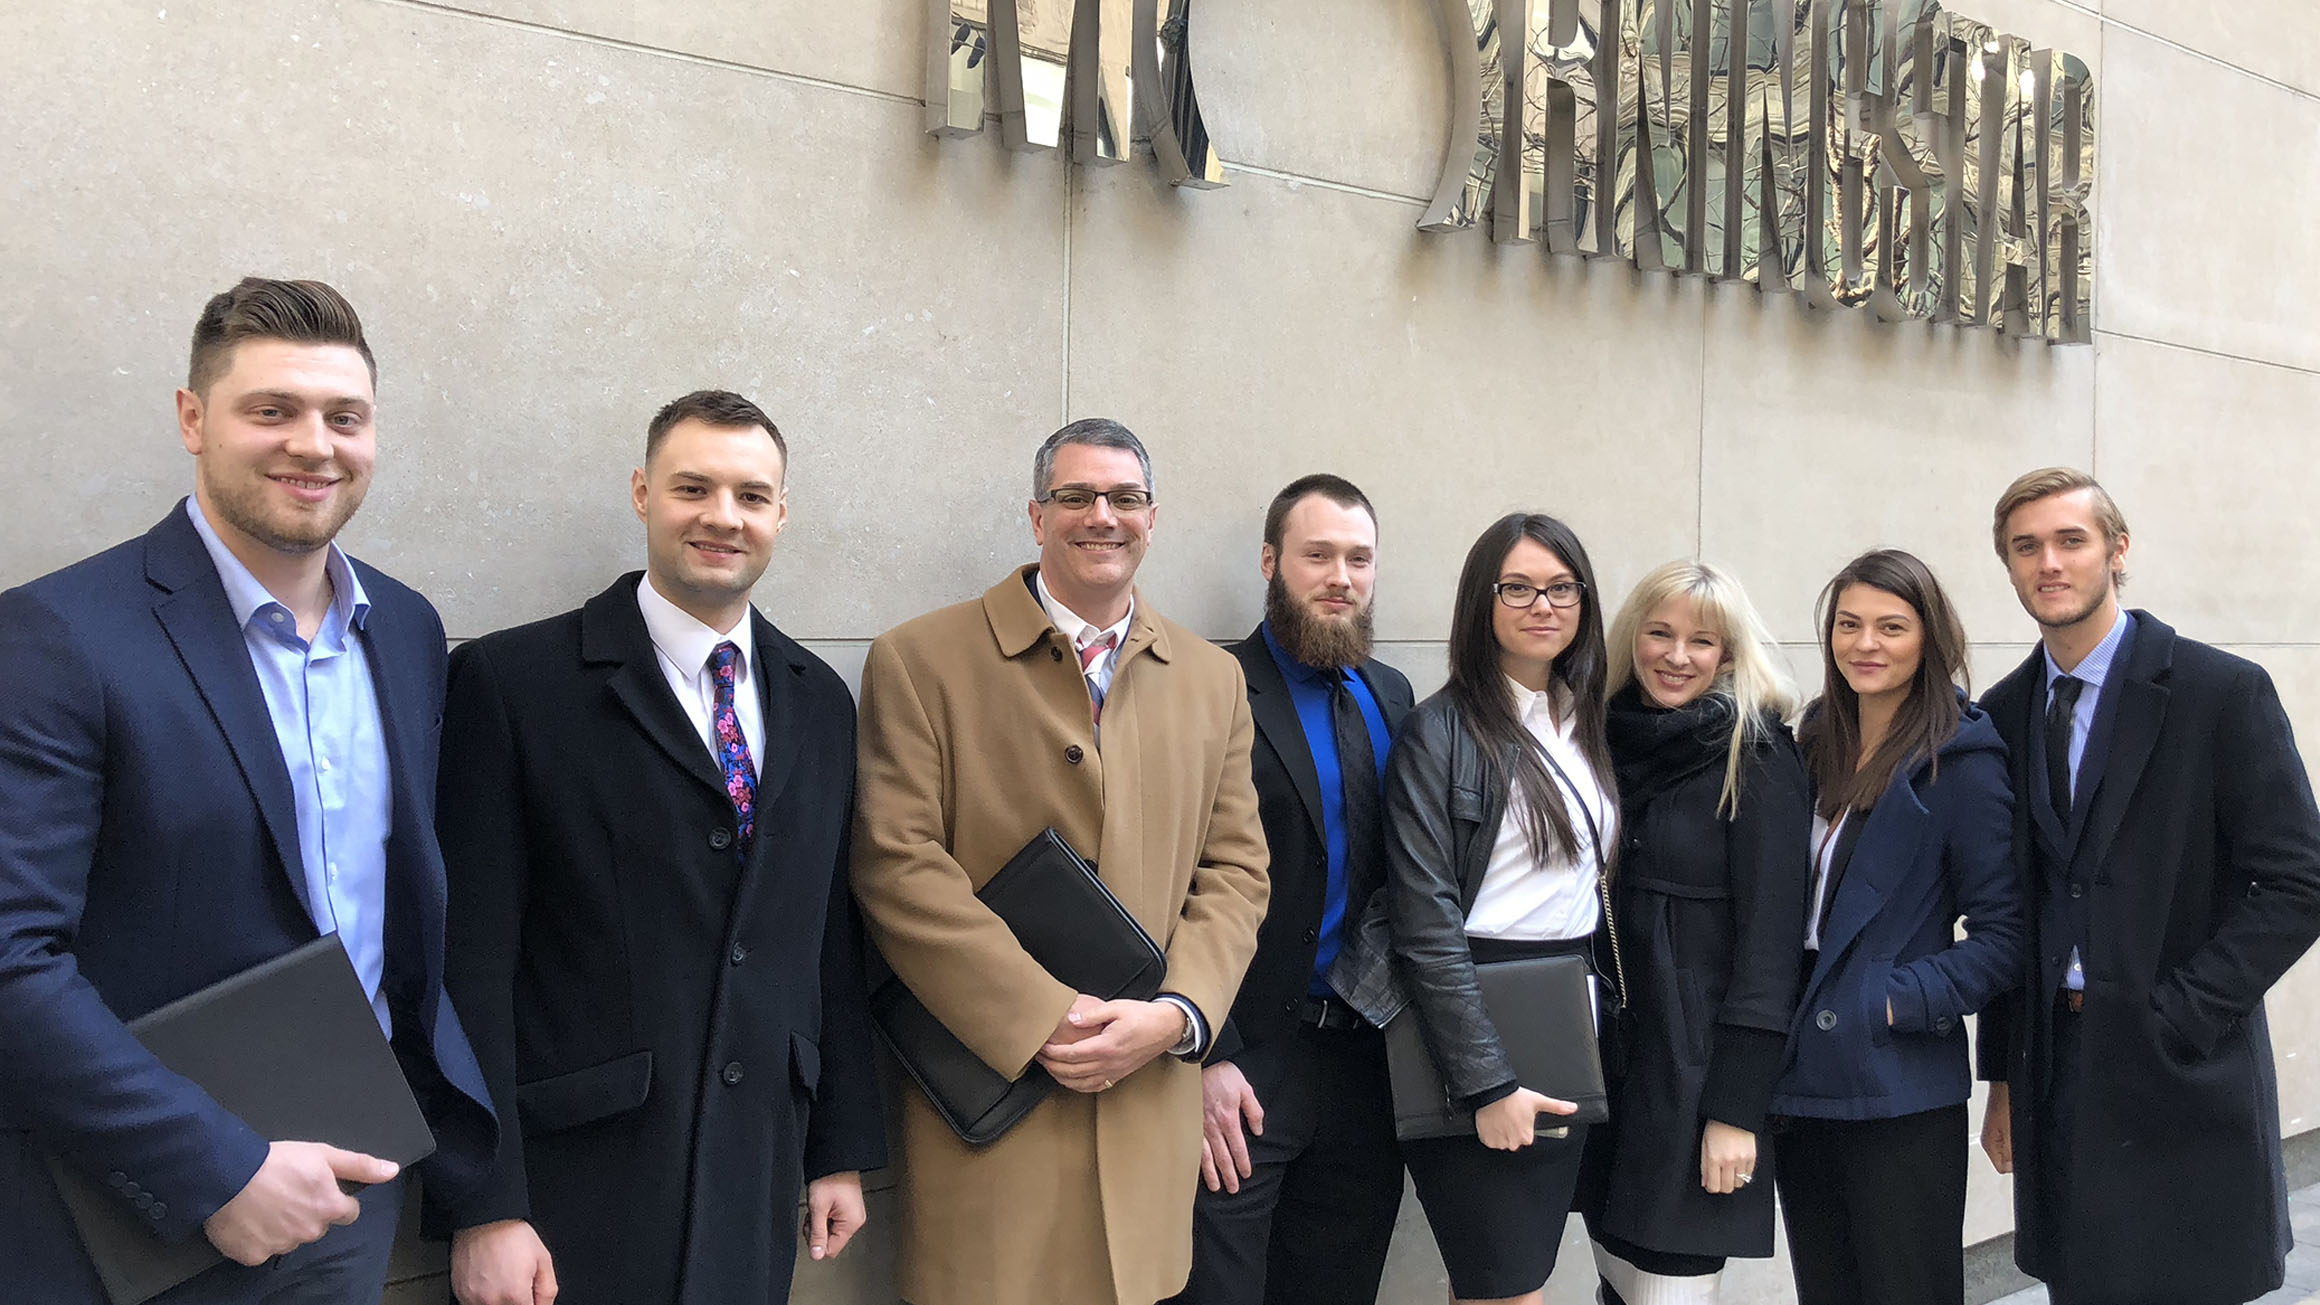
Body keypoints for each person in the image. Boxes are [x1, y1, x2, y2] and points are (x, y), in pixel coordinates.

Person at [0, 277, 496, 1302]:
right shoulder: (59, 638)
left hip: (353, 1188)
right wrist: (217, 1168)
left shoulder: (404, 630)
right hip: (134, 1212)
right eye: (270, 410)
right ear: (193, 418)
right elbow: (10, 958)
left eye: (342, 417)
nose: (313, 445)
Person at [434, 391, 885, 1305]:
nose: (724, 516)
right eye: (694, 487)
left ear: (782, 514)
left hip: (758, 1168)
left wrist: (839, 1149)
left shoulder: (819, 700)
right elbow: (469, 962)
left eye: (752, 496)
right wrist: (483, 1202)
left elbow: (826, 939)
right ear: (643, 493)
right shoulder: (514, 683)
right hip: (577, 1185)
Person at [849, 417, 1269, 1305]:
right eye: (1075, 496)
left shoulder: (1212, 677)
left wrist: (1179, 1013)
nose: (1101, 516)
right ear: (1037, 517)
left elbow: (1235, 870)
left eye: (1123, 497)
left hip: (1148, 1102)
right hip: (996, 1105)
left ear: (1154, 518)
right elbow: (897, 864)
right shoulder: (920, 659)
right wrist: (1042, 1016)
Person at [1975, 468, 2320, 1305]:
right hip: (2056, 1062)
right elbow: (2011, 907)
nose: (2048, 563)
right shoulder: (2003, 711)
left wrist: (2186, 1010)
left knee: (2190, 1283)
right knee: (2083, 1284)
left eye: (2070, 540)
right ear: (2010, 566)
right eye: (2027, 547)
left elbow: (2299, 879)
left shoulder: (2219, 692)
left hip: (2183, 1057)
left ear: (2117, 551)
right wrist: (2005, 1078)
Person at [1168, 475, 1414, 1305]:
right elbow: (1164, 878)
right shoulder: (1208, 684)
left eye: (1358, 558)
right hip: (1244, 1066)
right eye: (1318, 555)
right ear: (1272, 562)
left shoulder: (1392, 694)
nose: (1340, 576)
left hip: (1368, 1068)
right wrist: (1207, 1050)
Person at [1372, 512, 1619, 1305]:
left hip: (1567, 1018)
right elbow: (1424, 922)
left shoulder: (1584, 717)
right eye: (1517, 586)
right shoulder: (1438, 731)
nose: (1541, 603)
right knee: (1507, 1286)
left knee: (1514, 1278)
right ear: (1483, 600)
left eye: (1560, 586)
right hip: (1481, 1019)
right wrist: (1486, 1082)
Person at [1768, 548, 2022, 1305]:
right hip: (1799, 1077)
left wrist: (1890, 998)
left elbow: (2005, 935)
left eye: (1891, 626)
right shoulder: (1812, 741)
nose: (1865, 643)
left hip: (1897, 1085)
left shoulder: (1962, 760)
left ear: (1928, 639)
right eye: (1849, 624)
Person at [1577, 560, 1811, 1305]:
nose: (1677, 655)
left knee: (1666, 1292)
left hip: (1695, 1079)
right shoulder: (1599, 738)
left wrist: (1736, 1110)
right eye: (1660, 633)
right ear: (1632, 637)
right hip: (1610, 1065)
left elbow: (1772, 948)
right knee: (1617, 1282)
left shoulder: (1759, 754)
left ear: (1729, 655)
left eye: (1702, 641)